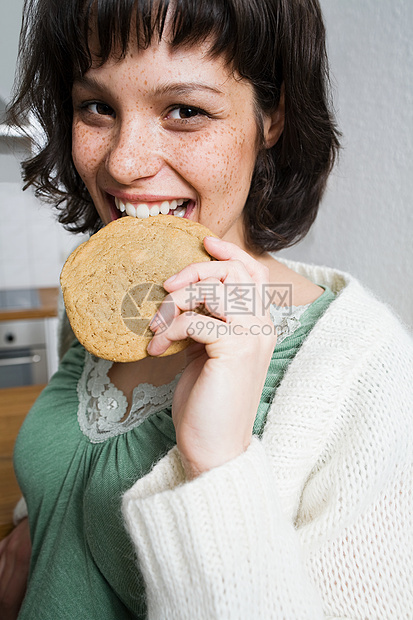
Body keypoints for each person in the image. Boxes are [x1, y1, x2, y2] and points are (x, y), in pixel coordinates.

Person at [1, 0, 412, 618]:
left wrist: (215, 464)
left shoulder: (366, 372)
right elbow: (70, 472)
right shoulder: (99, 304)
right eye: (97, 107)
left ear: (270, 117)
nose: (123, 162)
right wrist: (32, 532)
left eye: (185, 110)